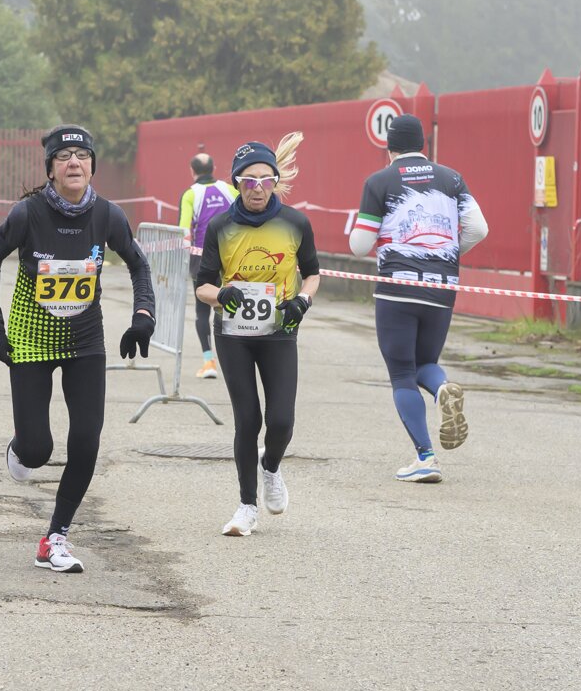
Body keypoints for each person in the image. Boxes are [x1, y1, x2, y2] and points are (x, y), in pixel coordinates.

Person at [0, 126, 155, 573]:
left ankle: (55, 537)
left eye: (82, 155)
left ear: (92, 166)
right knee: (38, 450)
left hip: (85, 342)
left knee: (86, 441)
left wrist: (143, 316)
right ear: (50, 170)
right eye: (63, 156)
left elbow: (139, 265)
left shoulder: (108, 215)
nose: (74, 162)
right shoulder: (27, 213)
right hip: (31, 339)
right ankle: (21, 448)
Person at [349, 113, 487, 483]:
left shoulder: (379, 181)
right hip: (442, 287)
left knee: (401, 373)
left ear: (389, 146)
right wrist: (448, 254)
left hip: (398, 287)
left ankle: (426, 457)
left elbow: (359, 245)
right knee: (425, 362)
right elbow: (479, 228)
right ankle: (441, 389)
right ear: (423, 143)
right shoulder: (451, 178)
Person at [195, 134, 319, 537]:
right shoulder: (220, 226)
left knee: (281, 420)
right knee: (248, 419)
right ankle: (246, 506)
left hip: (279, 331)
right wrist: (221, 295)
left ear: (275, 182)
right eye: (249, 181)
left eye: (266, 181)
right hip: (233, 333)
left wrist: (303, 299)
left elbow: (313, 273)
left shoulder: (295, 223)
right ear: (236, 183)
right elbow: (202, 285)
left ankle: (271, 466)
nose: (258, 189)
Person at [178, 152, 237, 380]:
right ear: (213, 168)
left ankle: (208, 361)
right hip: (232, 257)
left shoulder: (190, 194)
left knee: (202, 311)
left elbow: (184, 231)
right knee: (231, 306)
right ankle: (235, 361)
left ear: (192, 171)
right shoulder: (230, 189)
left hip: (202, 260)